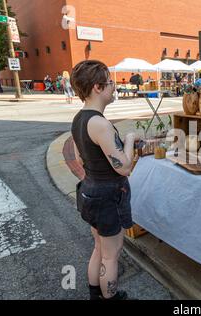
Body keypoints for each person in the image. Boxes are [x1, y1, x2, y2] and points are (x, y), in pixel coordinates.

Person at [70, 60, 140, 300]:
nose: (114, 87)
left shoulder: (79, 119)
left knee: (100, 248)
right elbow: (124, 167)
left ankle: (95, 295)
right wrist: (129, 140)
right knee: (111, 254)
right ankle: (109, 297)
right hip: (108, 196)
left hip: (90, 191)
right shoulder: (100, 124)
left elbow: (79, 159)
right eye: (110, 82)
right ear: (97, 87)